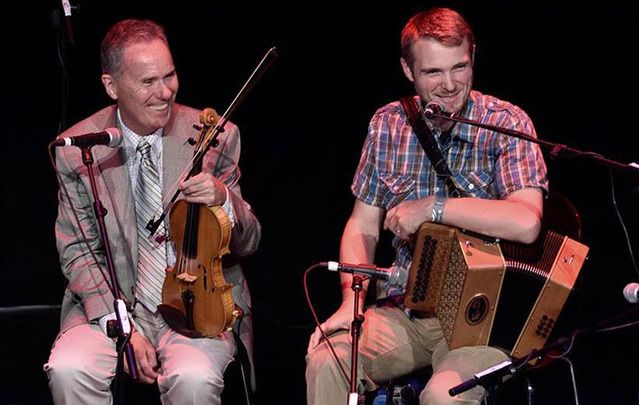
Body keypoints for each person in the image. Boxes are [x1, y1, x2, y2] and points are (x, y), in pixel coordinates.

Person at [306, 7, 548, 405]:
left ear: (473, 57)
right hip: (407, 309)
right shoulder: (387, 125)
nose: (450, 84)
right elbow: (362, 227)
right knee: (327, 359)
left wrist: (433, 208)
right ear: (407, 70)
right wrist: (352, 303)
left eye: (461, 67)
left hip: (480, 319)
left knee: (443, 396)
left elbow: (526, 222)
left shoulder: (507, 123)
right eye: (433, 72)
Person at [44, 18, 261, 405]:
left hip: (199, 306)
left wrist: (222, 198)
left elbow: (249, 240)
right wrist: (122, 325)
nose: (165, 92)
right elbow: (78, 251)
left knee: (193, 380)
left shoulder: (215, 136)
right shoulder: (77, 149)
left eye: (170, 75)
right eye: (148, 82)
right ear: (112, 86)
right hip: (112, 305)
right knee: (70, 369)